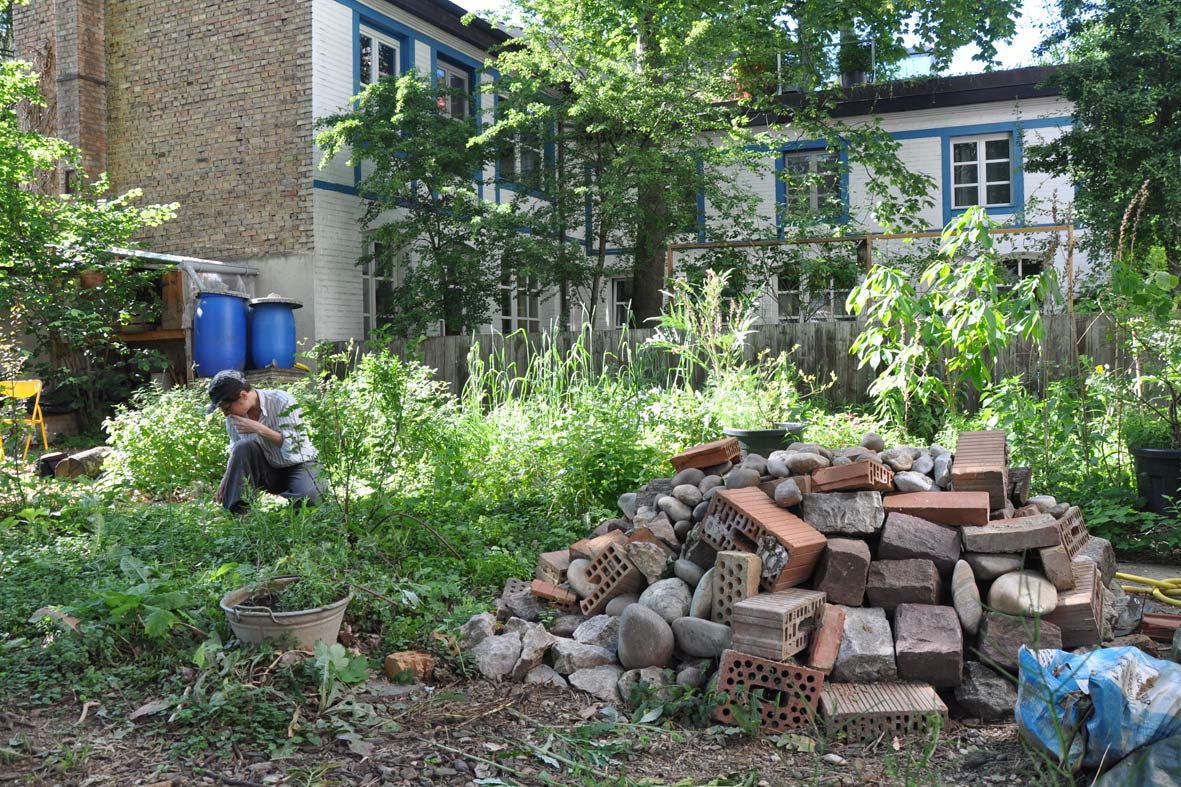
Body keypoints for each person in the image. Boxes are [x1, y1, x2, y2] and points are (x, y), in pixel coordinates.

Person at [205, 369, 320, 513]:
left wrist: (259, 428)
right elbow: (236, 450)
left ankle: (294, 507)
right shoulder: (233, 418)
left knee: (309, 499)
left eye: (227, 408)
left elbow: (296, 447)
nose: (226, 414)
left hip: (299, 464)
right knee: (242, 446)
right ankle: (240, 515)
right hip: (268, 471)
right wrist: (227, 478)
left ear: (243, 395)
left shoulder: (282, 401)